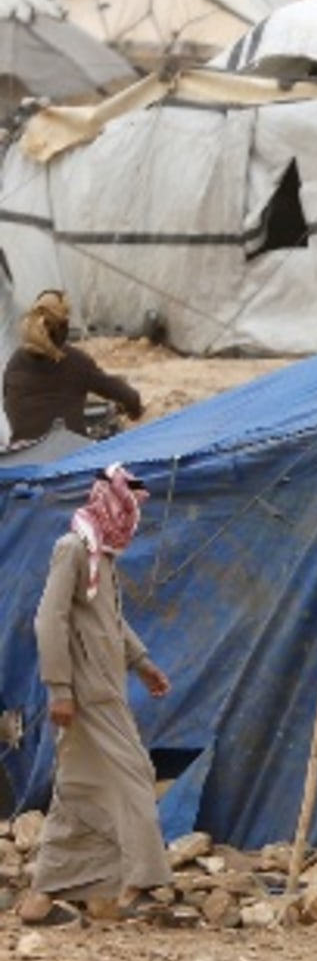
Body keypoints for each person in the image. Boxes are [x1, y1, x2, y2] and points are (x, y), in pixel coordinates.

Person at [17, 465, 172, 926]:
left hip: (106, 689)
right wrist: (59, 689)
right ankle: (141, 882)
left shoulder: (100, 558)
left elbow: (109, 623)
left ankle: (43, 899)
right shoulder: (72, 550)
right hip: (86, 694)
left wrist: (142, 663)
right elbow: (50, 620)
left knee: (79, 791)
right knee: (134, 776)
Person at [3, 290, 143, 446]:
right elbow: (129, 397)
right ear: (65, 327)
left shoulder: (14, 363)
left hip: (22, 459)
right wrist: (134, 412)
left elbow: (9, 403)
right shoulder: (75, 362)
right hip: (68, 460)